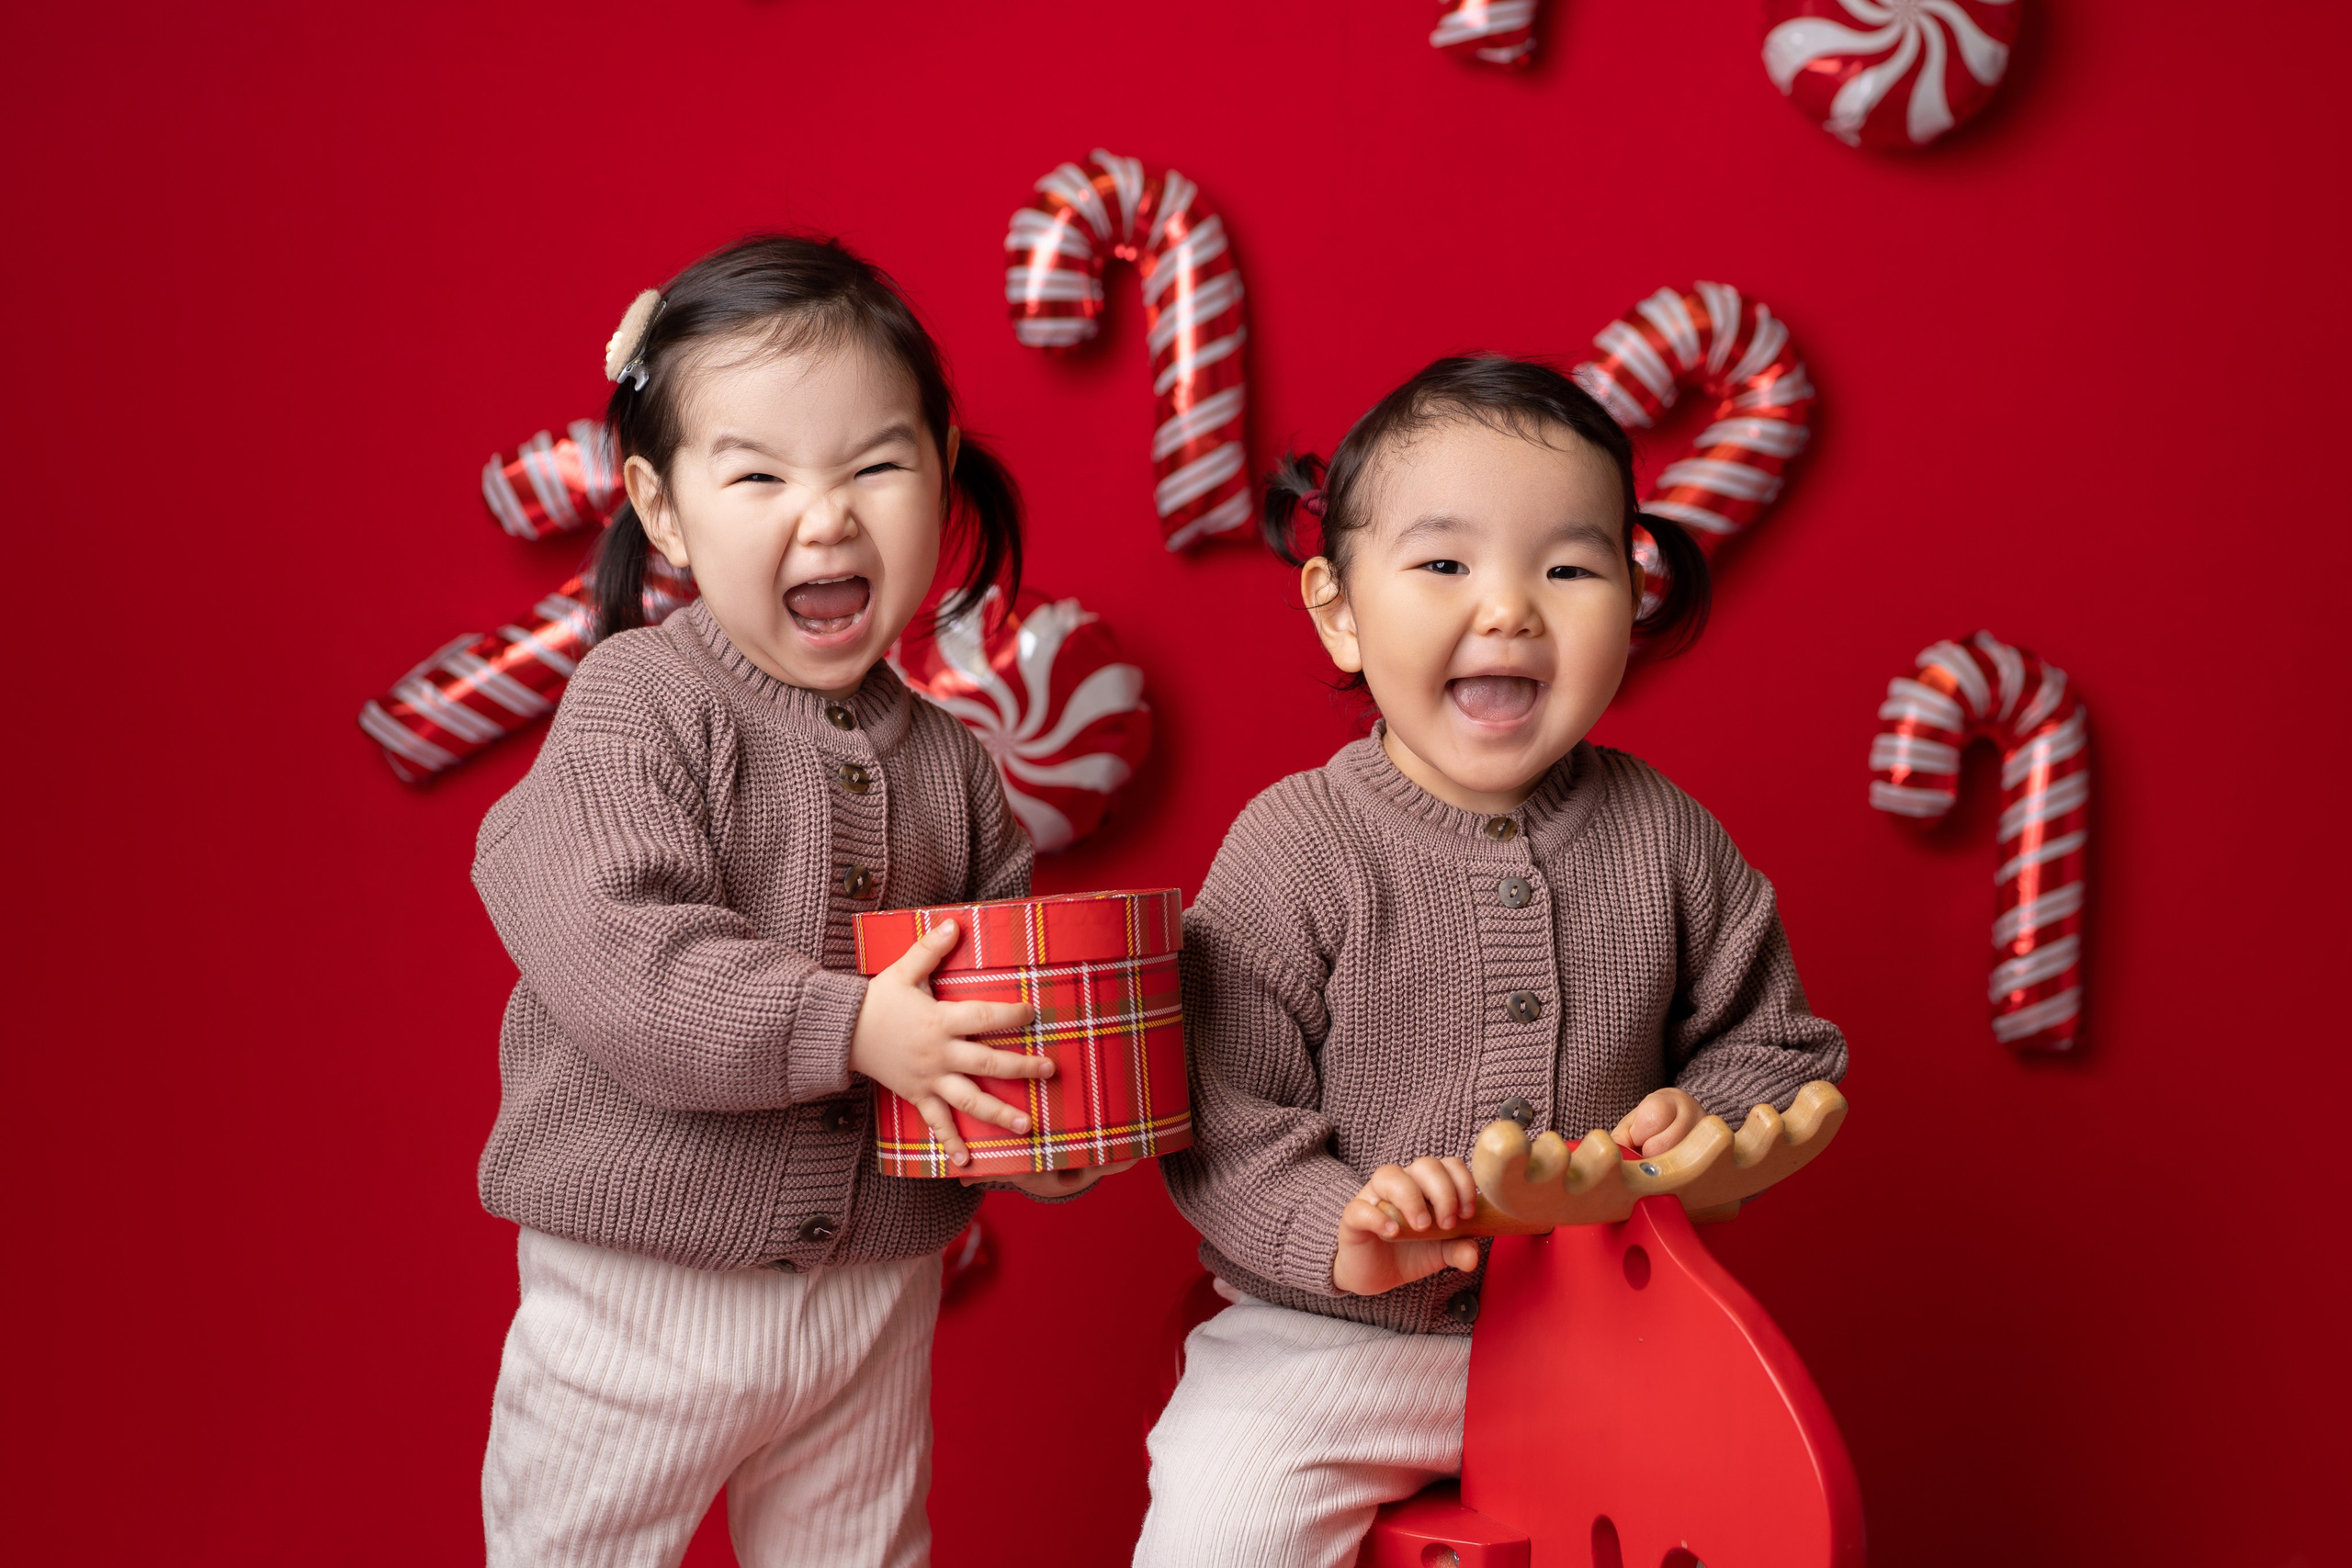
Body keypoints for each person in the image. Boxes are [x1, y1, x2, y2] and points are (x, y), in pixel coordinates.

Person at [470, 234, 1122, 1568]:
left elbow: (989, 1021)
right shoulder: (640, 706)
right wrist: (851, 1031)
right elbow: (623, 962)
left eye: (876, 465)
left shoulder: (955, 769)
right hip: (640, 1294)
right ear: (662, 508)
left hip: (871, 1299)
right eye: (758, 474)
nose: (824, 516)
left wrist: (1049, 1130)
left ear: (942, 470)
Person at [1136, 355, 1849, 1568]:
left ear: (1633, 596)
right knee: (1224, 1506)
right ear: (1340, 609)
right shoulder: (1297, 846)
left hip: (1610, 1341)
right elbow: (1223, 1117)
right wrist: (1344, 1221)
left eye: (1570, 568)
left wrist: (1711, 1117)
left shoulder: (1667, 836)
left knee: (1760, 1502)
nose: (1512, 607)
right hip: (1337, 1343)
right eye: (1445, 564)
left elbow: (1778, 1044)